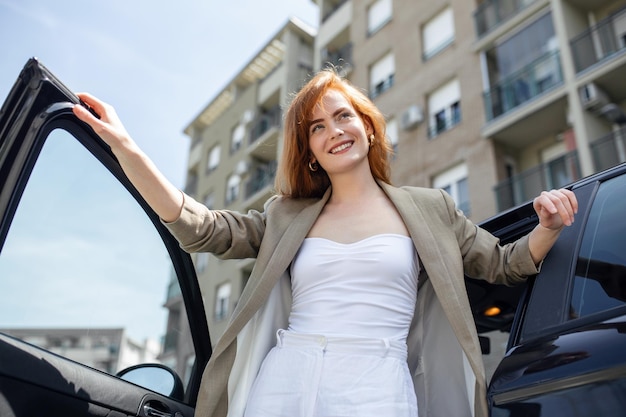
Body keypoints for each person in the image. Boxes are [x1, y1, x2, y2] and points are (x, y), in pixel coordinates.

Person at [73, 68, 578, 417]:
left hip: (377, 384)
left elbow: (506, 263)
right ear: (310, 151)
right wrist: (127, 147)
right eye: (317, 127)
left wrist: (549, 226)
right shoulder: (286, 215)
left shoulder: (431, 208)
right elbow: (199, 226)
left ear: (368, 127)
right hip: (286, 379)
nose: (333, 131)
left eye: (343, 117)